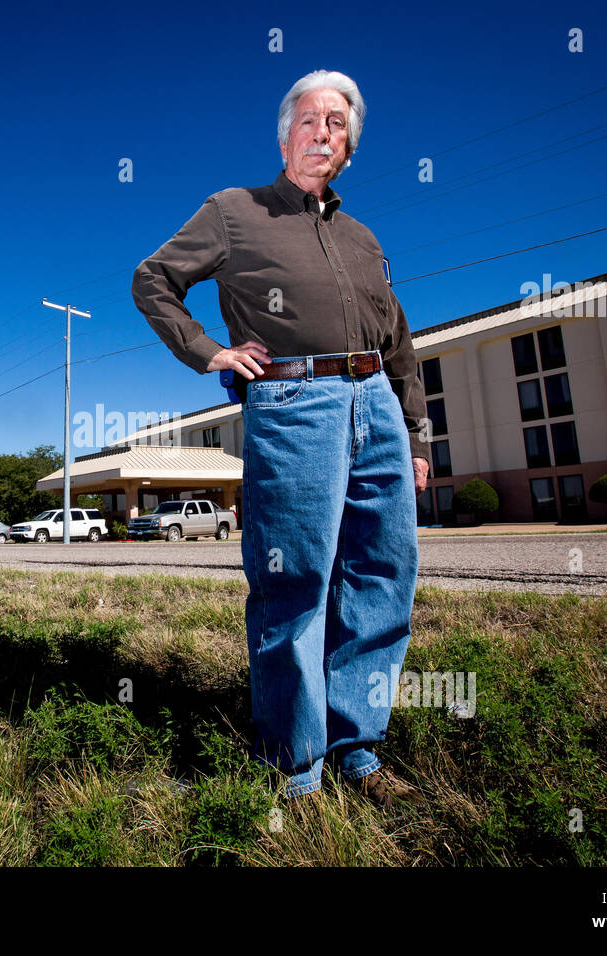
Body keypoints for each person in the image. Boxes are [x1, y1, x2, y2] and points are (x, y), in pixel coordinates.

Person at [132, 69, 429, 806]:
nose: (320, 132)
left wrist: (417, 433)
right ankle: (294, 768)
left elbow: (399, 338)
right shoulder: (235, 211)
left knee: (381, 576)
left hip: (378, 403)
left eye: (336, 124)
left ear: (348, 151)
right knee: (294, 581)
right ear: (284, 133)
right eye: (308, 119)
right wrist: (210, 352)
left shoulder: (363, 237)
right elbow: (153, 279)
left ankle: (358, 749)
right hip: (294, 399)